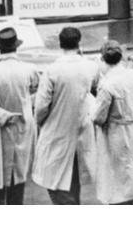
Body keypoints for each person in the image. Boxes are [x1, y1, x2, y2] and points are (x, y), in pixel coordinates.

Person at [32, 27, 98, 205]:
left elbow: (41, 107)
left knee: (58, 184)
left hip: (57, 131)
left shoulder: (52, 70)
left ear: (60, 44)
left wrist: (41, 123)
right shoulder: (91, 66)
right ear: (79, 43)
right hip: (82, 130)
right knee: (73, 178)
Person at [0, 27, 39, 205]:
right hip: (22, 126)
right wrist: (24, 103)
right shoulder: (29, 69)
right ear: (16, 47)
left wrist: (3, 115)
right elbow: (36, 90)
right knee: (17, 176)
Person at [93, 41, 133, 205]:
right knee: (131, 168)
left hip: (116, 132)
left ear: (103, 59)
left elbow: (98, 117)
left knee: (115, 173)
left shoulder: (107, 84)